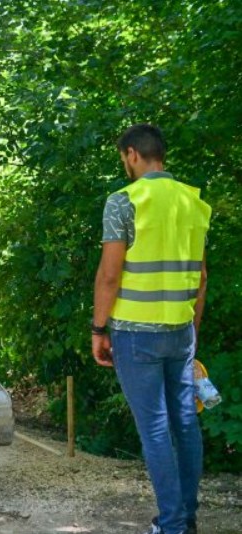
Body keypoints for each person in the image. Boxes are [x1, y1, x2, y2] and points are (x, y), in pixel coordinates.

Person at [92, 124, 211, 534]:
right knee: (184, 423)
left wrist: (98, 328)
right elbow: (201, 278)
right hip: (179, 332)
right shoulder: (193, 202)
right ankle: (187, 520)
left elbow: (109, 276)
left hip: (136, 335)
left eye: (124, 158)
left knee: (156, 429)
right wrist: (190, 332)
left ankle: (173, 526)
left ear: (131, 154)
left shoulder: (124, 201)